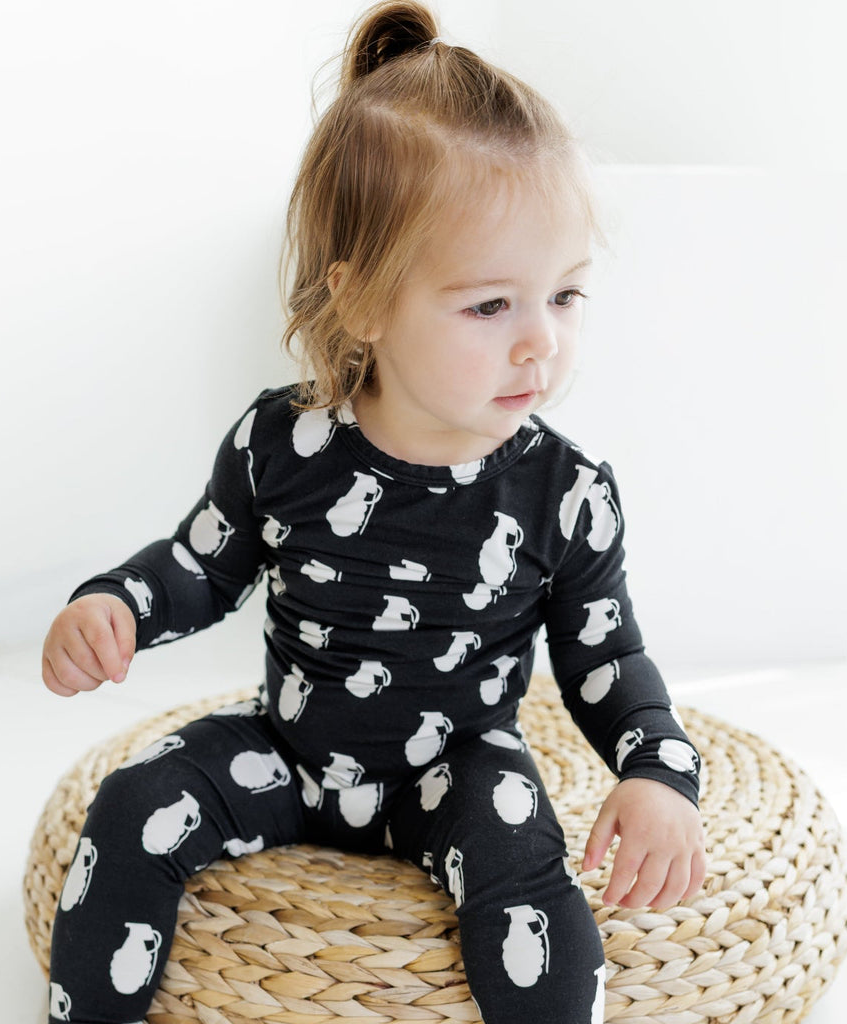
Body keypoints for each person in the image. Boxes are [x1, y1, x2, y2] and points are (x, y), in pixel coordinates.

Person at [40, 3, 707, 1021]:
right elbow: (199, 564)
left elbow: (608, 663)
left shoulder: (562, 494)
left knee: (525, 863)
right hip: (291, 752)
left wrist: (660, 771)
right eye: (491, 305)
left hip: (458, 769)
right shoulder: (285, 446)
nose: (540, 343)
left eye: (565, 296)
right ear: (360, 304)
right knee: (134, 802)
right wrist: (116, 604)